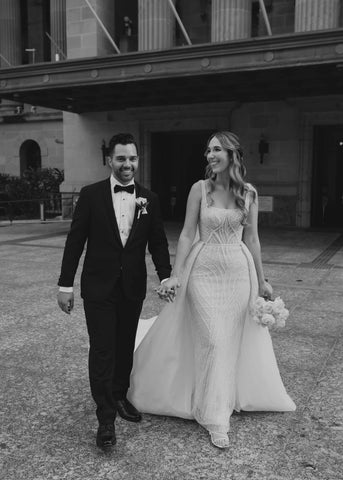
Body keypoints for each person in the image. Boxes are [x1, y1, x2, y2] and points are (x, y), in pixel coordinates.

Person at [128, 131, 296, 449]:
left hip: (237, 273)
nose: (210, 155)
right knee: (213, 339)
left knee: (229, 340)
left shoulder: (249, 194)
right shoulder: (199, 189)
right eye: (208, 151)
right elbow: (188, 234)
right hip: (203, 272)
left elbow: (253, 239)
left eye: (216, 149)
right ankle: (214, 415)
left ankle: (221, 397)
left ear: (233, 154)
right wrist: (176, 275)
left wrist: (261, 281)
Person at [57, 133, 171, 450]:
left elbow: (158, 243)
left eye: (132, 159)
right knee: (103, 349)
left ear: (138, 160)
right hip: (98, 288)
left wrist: (166, 277)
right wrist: (65, 284)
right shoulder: (91, 195)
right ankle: (106, 418)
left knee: (123, 346)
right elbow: (75, 241)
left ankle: (120, 396)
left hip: (131, 286)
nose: (127, 164)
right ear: (110, 159)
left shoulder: (150, 198)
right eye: (121, 158)